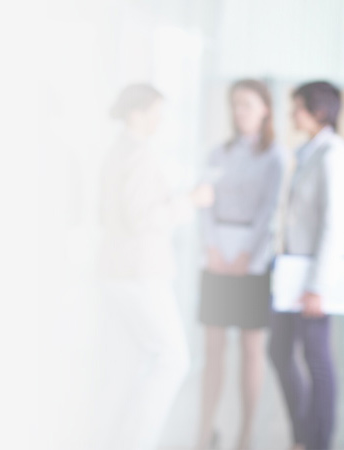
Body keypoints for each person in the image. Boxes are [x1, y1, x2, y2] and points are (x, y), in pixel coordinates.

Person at [97, 83, 214, 450]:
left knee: (138, 361)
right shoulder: (139, 155)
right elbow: (142, 218)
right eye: (156, 113)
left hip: (119, 269)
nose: (161, 121)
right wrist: (190, 201)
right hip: (139, 271)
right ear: (137, 114)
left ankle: (121, 438)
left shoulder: (117, 151)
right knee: (173, 360)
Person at [195, 79, 285, 450]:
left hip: (252, 260)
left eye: (247, 104)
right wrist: (213, 248)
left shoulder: (274, 156)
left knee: (251, 349)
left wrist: (246, 254)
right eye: (235, 104)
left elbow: (268, 210)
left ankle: (245, 433)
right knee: (213, 350)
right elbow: (205, 202)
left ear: (265, 109)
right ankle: (204, 431)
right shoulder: (219, 153)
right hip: (217, 257)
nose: (240, 112)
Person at [269, 81, 344, 450]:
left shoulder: (334, 156)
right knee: (279, 350)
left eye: (298, 107)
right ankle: (303, 436)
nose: (292, 114)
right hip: (292, 272)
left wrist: (317, 286)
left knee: (316, 358)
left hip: (313, 277)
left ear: (319, 111)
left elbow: (334, 225)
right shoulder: (309, 153)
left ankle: (318, 441)